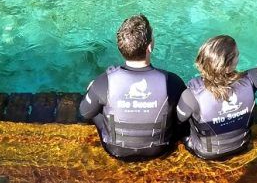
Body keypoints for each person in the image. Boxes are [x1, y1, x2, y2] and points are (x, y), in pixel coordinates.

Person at [78, 14, 186, 160]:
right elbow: (182, 117)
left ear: (120, 47)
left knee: (97, 102)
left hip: (115, 149)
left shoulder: (104, 81)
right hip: (159, 149)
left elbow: (85, 113)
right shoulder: (171, 81)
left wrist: (93, 88)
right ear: (149, 47)